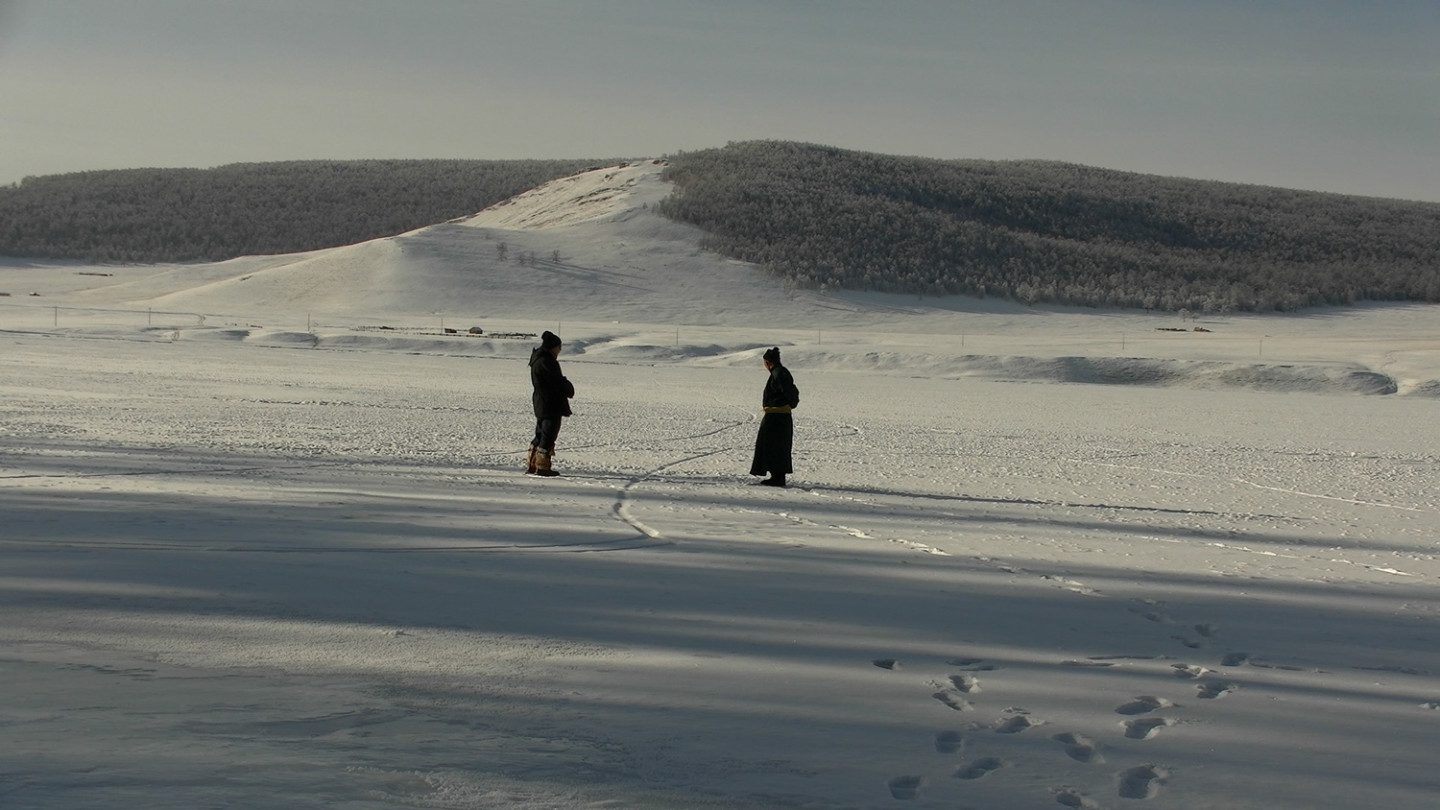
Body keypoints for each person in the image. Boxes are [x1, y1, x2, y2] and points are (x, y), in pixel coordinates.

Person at [527, 330, 574, 476]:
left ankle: (533, 464)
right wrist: (567, 386)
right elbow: (556, 382)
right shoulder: (547, 361)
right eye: (559, 348)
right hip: (550, 404)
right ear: (553, 347)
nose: (559, 351)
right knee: (548, 435)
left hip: (542, 402)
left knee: (541, 434)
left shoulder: (539, 359)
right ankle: (542, 466)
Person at [750, 346, 800, 487]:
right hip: (776, 416)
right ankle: (776, 476)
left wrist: (791, 403)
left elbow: (790, 392)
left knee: (775, 446)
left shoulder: (779, 373)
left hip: (777, 418)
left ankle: (778, 477)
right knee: (773, 445)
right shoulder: (779, 372)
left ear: (767, 362)